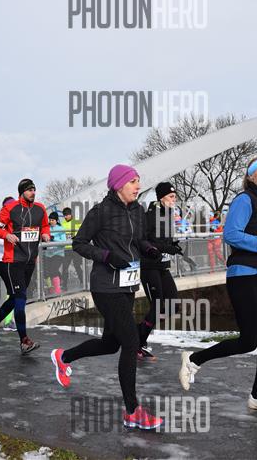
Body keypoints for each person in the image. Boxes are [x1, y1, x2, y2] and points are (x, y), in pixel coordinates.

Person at [51, 164, 164, 430]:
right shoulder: (101, 211)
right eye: (133, 181)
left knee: (111, 344)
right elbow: (79, 243)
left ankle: (63, 357)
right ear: (118, 185)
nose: (138, 186)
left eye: (138, 181)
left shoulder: (137, 211)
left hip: (127, 286)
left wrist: (148, 248)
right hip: (105, 286)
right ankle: (132, 411)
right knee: (131, 341)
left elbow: (138, 240)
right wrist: (106, 256)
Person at [178, 157, 257, 414]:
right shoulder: (244, 200)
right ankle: (193, 360)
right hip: (242, 276)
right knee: (249, 341)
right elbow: (231, 235)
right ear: (251, 175)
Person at [0, 179, 50, 354]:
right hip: (13, 260)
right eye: (29, 190)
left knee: (15, 298)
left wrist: (46, 234)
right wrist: (7, 235)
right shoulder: (11, 208)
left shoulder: (40, 208)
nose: (33, 192)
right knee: (21, 298)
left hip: (30, 260)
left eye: (34, 189)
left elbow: (45, 225)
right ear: (22, 192)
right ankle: (24, 341)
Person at [137, 182, 183, 361]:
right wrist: (166, 247)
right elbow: (144, 240)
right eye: (171, 197)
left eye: (174, 197)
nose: (174, 200)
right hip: (149, 266)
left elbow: (163, 239)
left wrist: (172, 245)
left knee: (173, 305)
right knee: (157, 306)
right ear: (161, 198)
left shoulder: (169, 214)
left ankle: (138, 332)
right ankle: (138, 342)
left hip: (163, 266)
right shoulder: (150, 215)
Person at [60, 207, 83, 292]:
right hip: (67, 249)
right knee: (65, 268)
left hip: (75, 248)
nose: (66, 217)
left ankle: (83, 283)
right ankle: (64, 286)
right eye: (64, 215)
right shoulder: (62, 224)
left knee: (77, 266)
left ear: (70, 214)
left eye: (67, 215)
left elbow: (82, 232)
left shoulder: (77, 222)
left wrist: (76, 237)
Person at [44, 211, 66, 296]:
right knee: (46, 272)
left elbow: (64, 242)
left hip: (58, 253)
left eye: (53, 220)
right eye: (50, 220)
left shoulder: (60, 229)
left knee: (53, 270)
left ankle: (58, 291)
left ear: (56, 220)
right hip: (48, 254)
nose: (51, 221)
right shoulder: (47, 228)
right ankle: (51, 290)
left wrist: (53, 239)